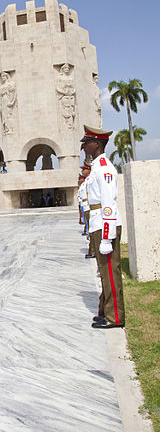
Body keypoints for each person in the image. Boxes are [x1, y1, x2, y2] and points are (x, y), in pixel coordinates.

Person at [81, 125, 125, 329]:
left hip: (105, 225)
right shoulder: (97, 168)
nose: (83, 147)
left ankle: (115, 317)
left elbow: (108, 203)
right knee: (104, 272)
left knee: (110, 271)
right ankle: (105, 310)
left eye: (86, 143)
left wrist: (107, 236)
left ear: (96, 144)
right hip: (98, 224)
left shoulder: (105, 168)